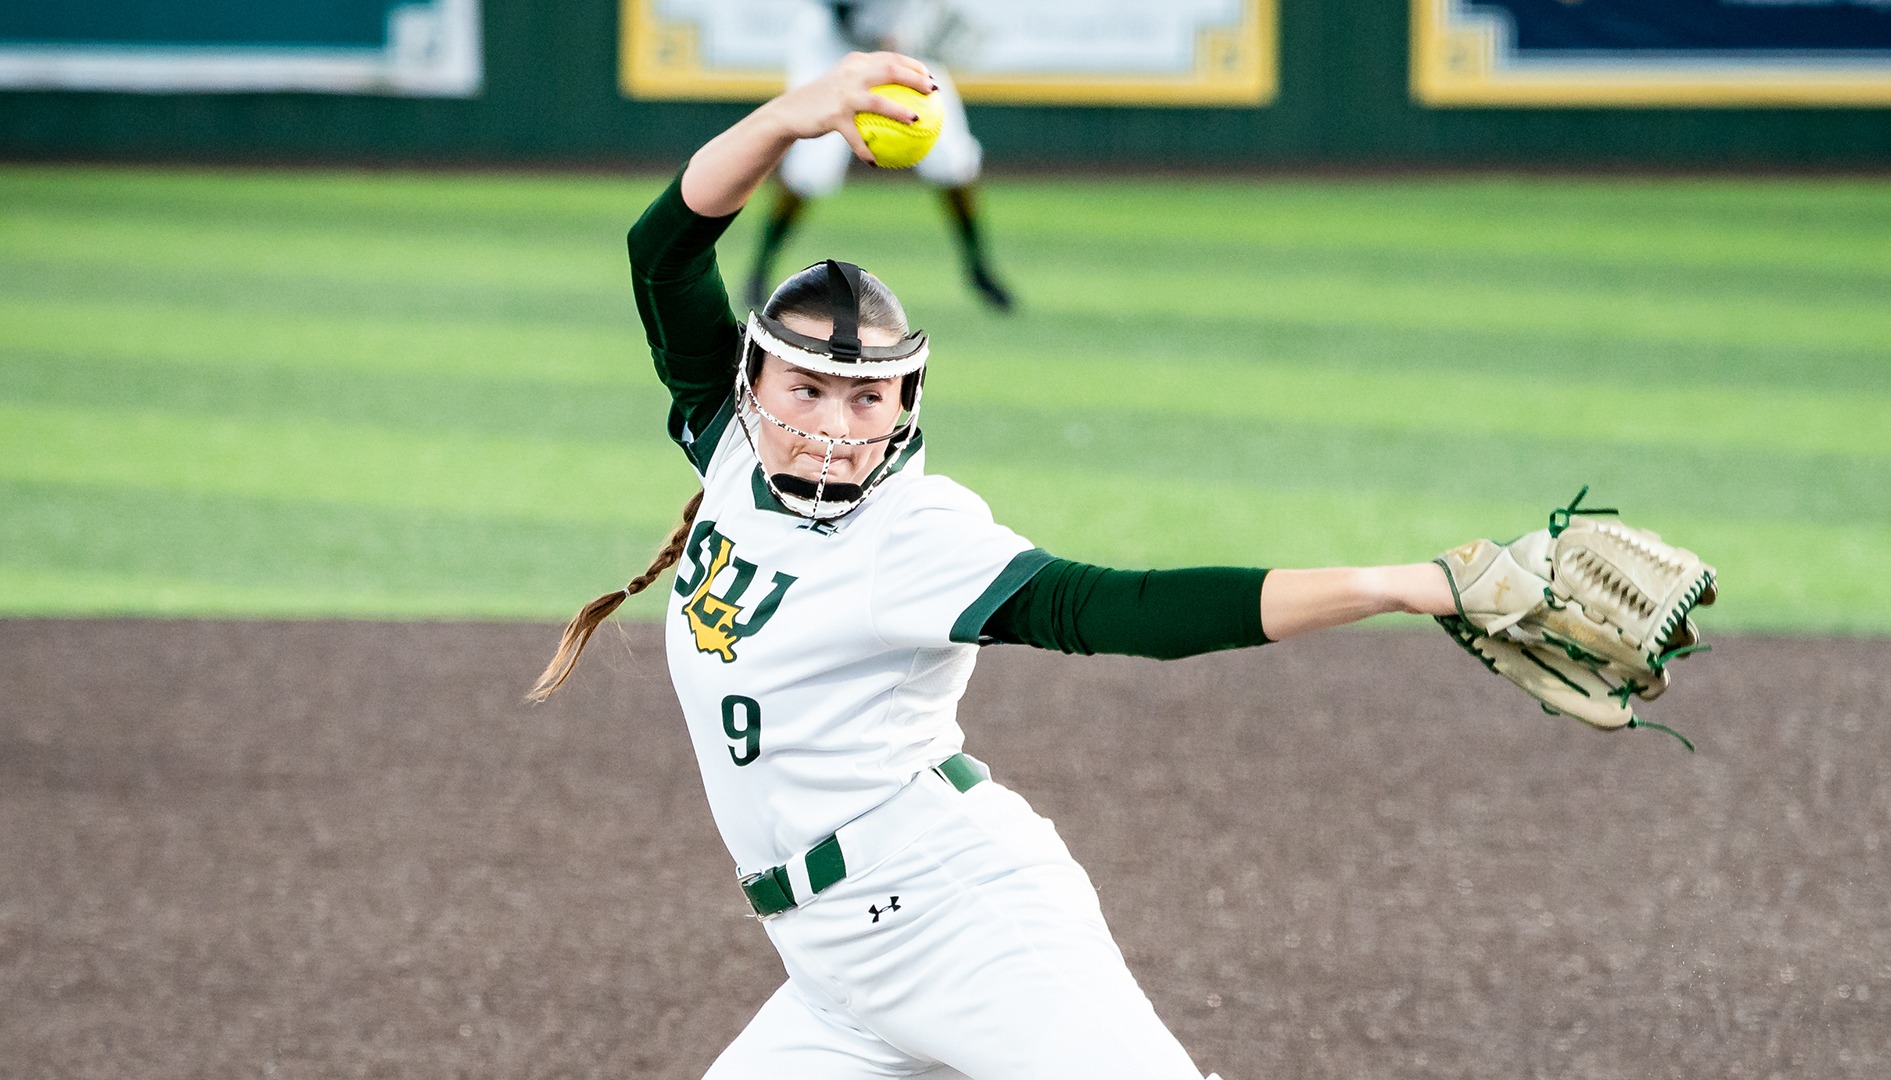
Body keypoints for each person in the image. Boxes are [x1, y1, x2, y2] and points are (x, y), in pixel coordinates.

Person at [529, 50, 1458, 1080]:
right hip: (834, 977)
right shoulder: (732, 445)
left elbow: (1122, 609)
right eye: (808, 389)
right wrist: (794, 116)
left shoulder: (915, 535)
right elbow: (662, 250)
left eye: (866, 397)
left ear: (903, 404)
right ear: (754, 384)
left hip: (961, 925)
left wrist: (1396, 585)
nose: (837, 425)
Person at [745, 0, 1016, 313]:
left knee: (954, 161)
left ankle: (979, 267)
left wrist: (922, 24)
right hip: (834, 45)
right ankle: (759, 272)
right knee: (809, 170)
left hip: (905, 43)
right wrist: (876, 32)